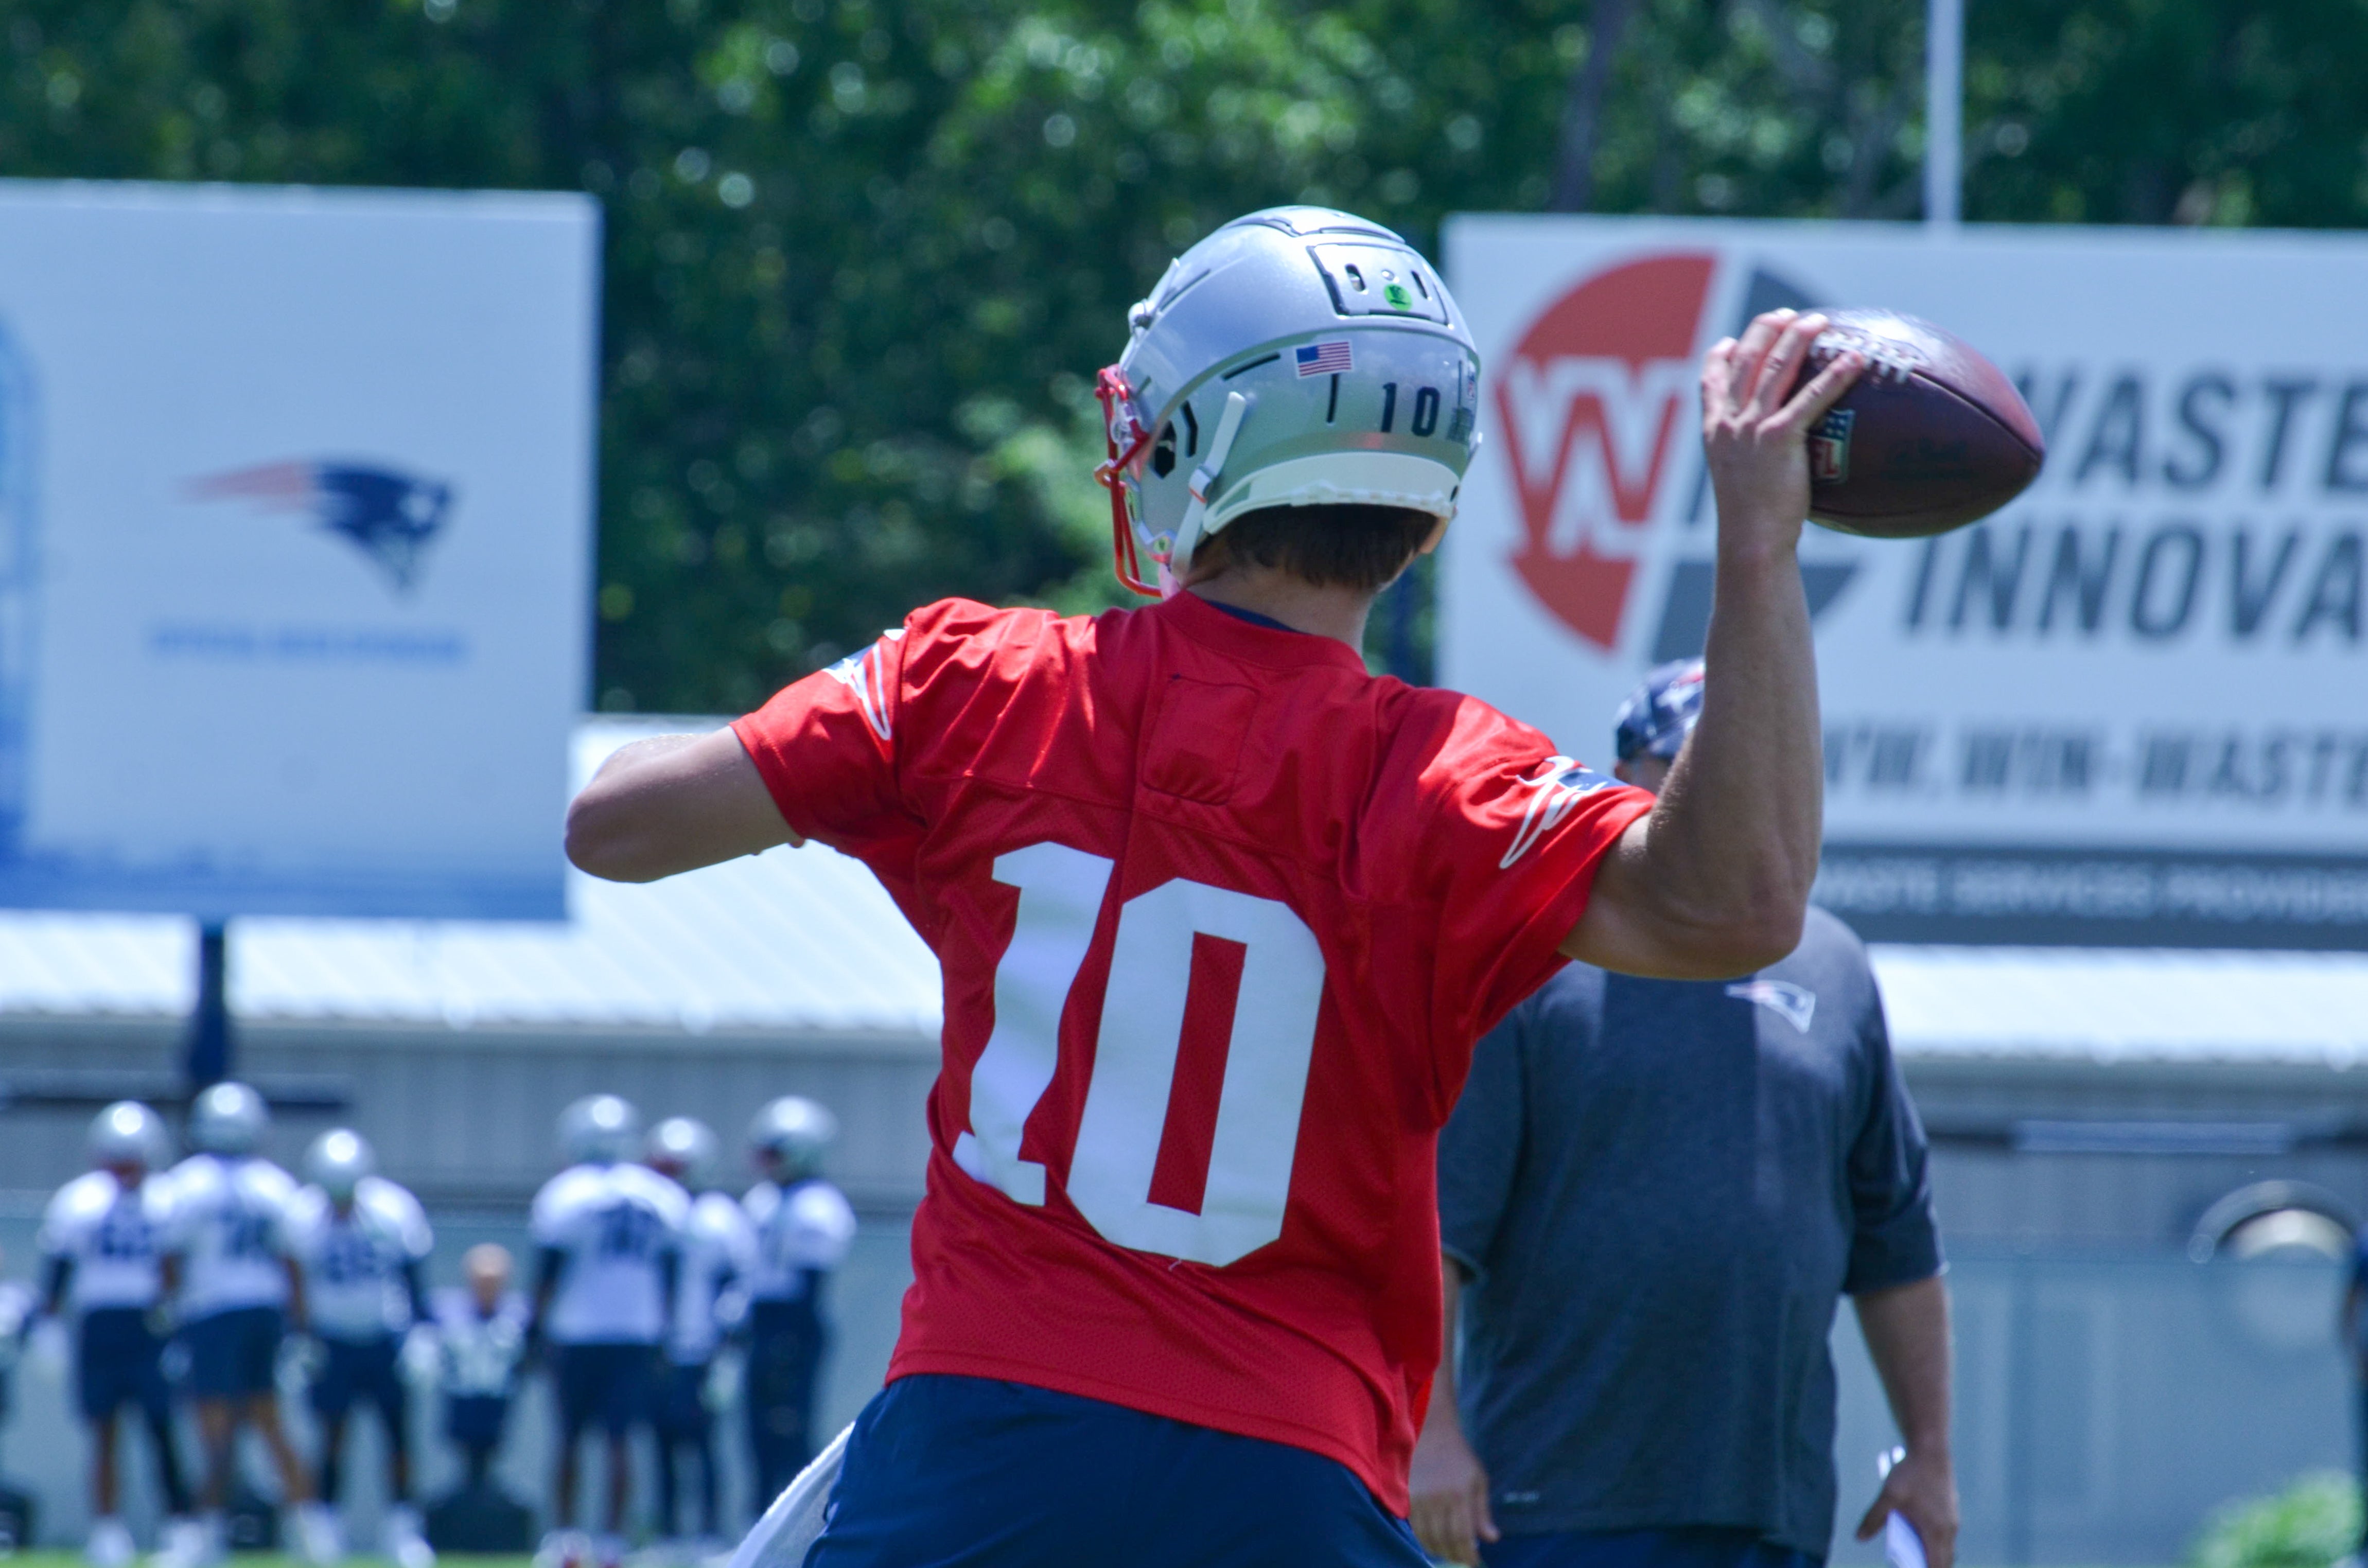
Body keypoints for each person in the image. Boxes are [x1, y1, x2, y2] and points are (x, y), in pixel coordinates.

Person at [564, 205, 1860, 1564]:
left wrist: (858, 712)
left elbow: (618, 822)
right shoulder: (1448, 779)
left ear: (1188, 442)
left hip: (980, 1447)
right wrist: (1758, 555)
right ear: (1423, 507)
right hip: (1287, 1483)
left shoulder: (975, 683)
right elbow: (1740, 904)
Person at [1408, 659, 1956, 1568]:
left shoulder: (1834, 967)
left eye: (1765, 768)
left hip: (1771, 1511)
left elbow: (1896, 1244)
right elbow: (1436, 1228)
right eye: (1710, 766)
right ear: (1630, 784)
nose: (1745, 795)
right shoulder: (1541, 953)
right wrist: (1430, 1435)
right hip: (1557, 1503)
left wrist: (1930, 1454)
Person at [157, 1081, 336, 1568]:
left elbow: (170, 1257)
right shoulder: (274, 1183)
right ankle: (312, 1532)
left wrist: (169, 1314)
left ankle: (205, 1539)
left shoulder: (188, 1182)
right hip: (263, 1311)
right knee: (272, 1425)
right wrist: (301, 1328)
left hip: (212, 1312)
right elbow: (293, 1264)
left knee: (216, 1430)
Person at [529, 1095, 688, 1568]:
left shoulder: (565, 1192)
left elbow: (548, 1272)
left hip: (577, 1330)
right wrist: (666, 1330)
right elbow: (670, 1274)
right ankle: (613, 1543)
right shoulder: (660, 1194)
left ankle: (565, 1539)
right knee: (620, 1440)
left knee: (569, 1437)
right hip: (637, 1331)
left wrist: (532, 1330)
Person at [37, 1101, 197, 1568]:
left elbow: (176, 1268)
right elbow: (59, 1268)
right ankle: (108, 1532)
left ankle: (180, 1531)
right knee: (103, 1431)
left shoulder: (167, 1199)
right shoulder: (79, 1200)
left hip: (150, 1324)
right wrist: (49, 1323)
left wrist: (178, 1323)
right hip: (100, 1324)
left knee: (162, 1429)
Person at [286, 1129, 436, 1568]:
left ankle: (404, 1530)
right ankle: (327, 1529)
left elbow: (413, 1277)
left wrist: (421, 1333)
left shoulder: (394, 1209)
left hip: (383, 1334)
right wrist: (298, 1334)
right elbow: (291, 1282)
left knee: (398, 1436)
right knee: (332, 1437)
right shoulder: (301, 1215)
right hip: (330, 1337)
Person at [644, 1116, 757, 1555]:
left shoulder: (720, 1216)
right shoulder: (651, 1207)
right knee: (660, 1444)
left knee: (704, 1444)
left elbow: (739, 1284)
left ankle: (710, 1531)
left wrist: (728, 1349)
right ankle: (668, 1531)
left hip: (703, 1347)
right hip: (657, 1348)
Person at [739, 1098, 854, 1503]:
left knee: (789, 1426)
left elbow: (810, 1282)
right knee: (755, 1429)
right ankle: (758, 1519)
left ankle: (800, 1523)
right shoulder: (764, 1199)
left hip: (795, 1322)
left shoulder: (818, 1204)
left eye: (776, 1151)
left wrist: (787, 1340)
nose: (767, 1161)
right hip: (764, 1319)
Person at [433, 1244, 531, 1496]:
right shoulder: (446, 1311)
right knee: (463, 1445)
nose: (487, 1289)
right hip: (462, 1394)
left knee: (494, 1445)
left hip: (498, 1395)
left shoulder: (519, 1315)